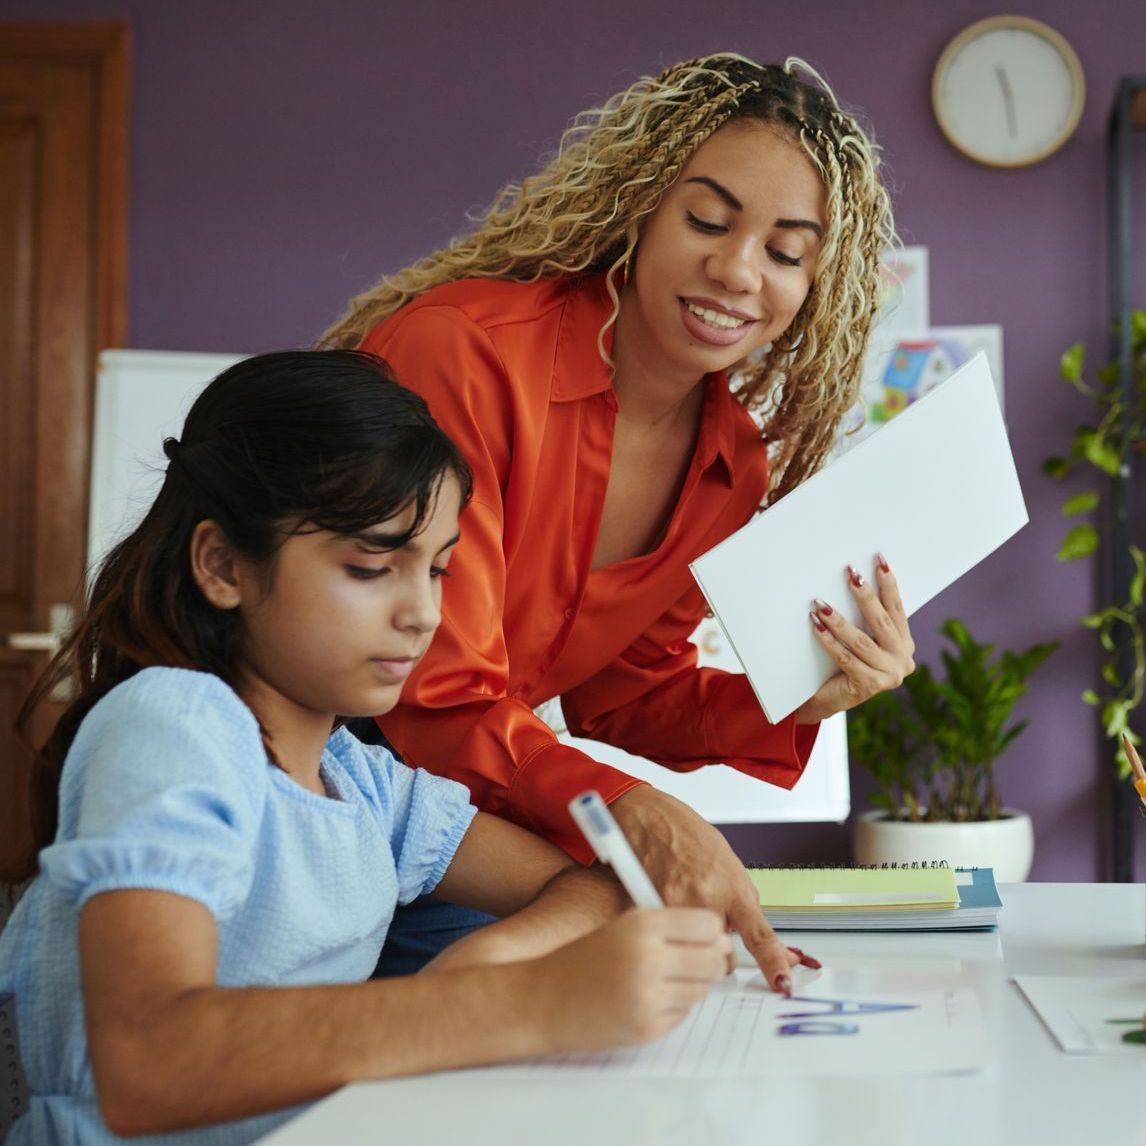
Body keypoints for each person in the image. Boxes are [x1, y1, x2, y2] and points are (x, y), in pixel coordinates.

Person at [0, 351, 736, 1146]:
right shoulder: (175, 725)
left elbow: (592, 887)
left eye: (440, 571)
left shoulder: (358, 781)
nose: (422, 614)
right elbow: (146, 1061)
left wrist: (491, 960)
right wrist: (517, 1003)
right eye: (370, 567)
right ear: (223, 566)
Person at [320, 52, 916, 980]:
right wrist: (636, 812)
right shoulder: (465, 355)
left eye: (785, 252)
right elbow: (430, 696)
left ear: (816, 288)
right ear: (639, 206)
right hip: (317, 767)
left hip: (465, 799)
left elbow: (623, 694)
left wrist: (795, 693)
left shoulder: (730, 466)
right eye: (707, 220)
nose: (735, 270)